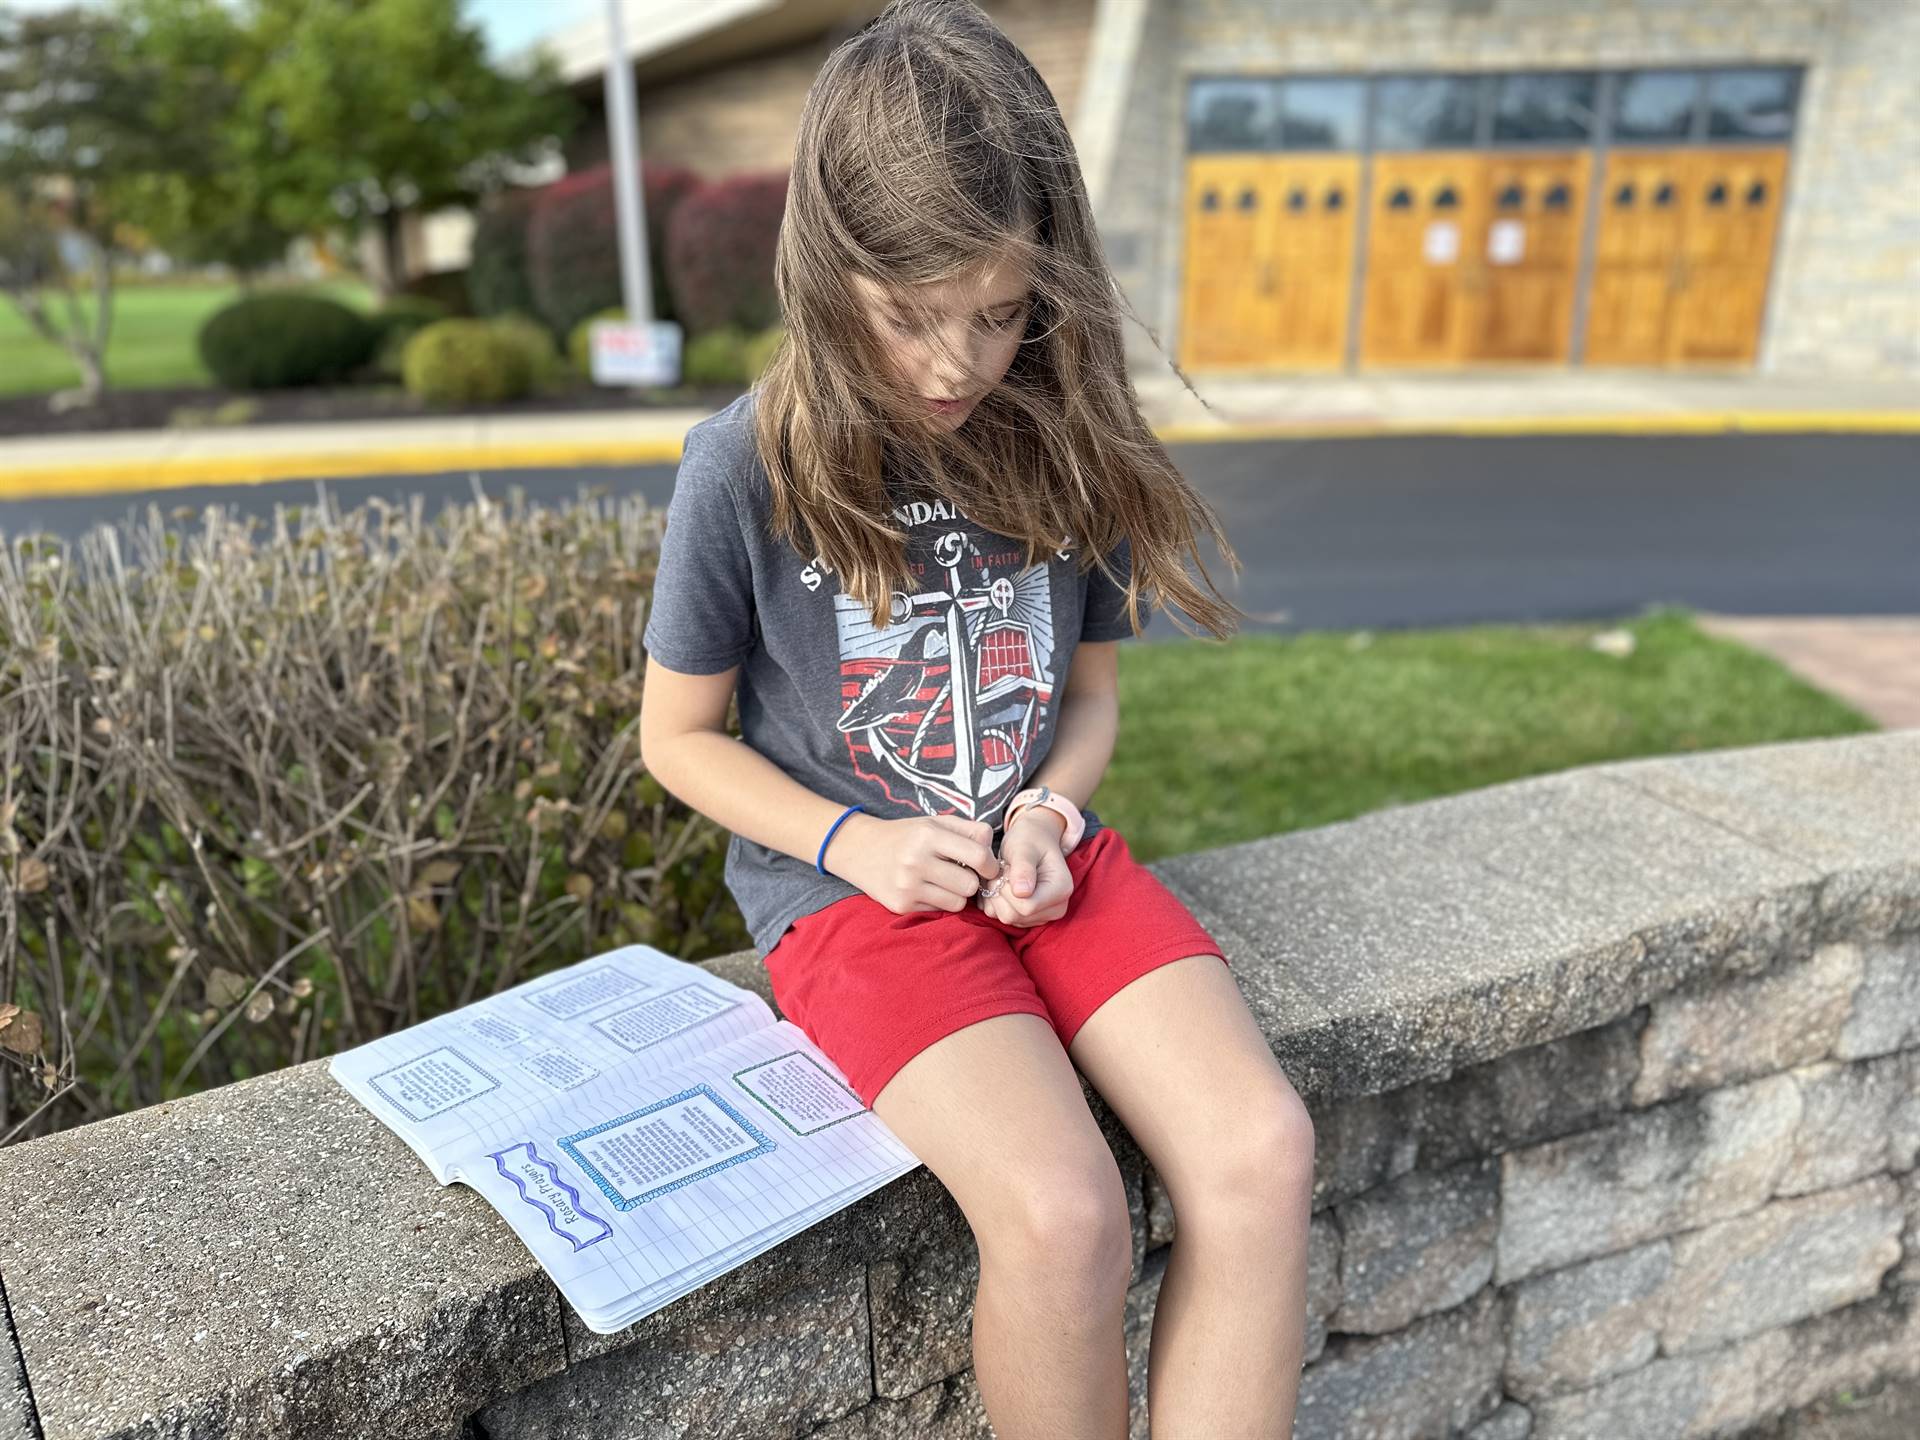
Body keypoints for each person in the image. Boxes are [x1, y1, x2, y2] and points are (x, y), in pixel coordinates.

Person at [636, 3, 1313, 1434]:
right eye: (909, 319)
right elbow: (676, 738)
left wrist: (1055, 810)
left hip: (1045, 866)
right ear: (829, 275)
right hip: (854, 902)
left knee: (1259, 1151)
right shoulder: (742, 469)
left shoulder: (1063, 435)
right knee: (1065, 1216)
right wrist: (855, 847)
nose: (957, 364)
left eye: (999, 314)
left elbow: (1088, 697)